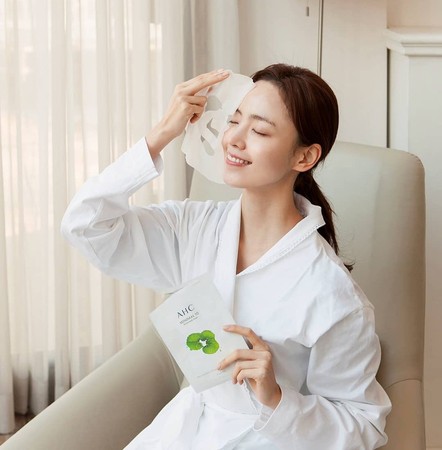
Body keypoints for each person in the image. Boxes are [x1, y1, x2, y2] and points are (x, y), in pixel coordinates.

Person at [61, 64, 391, 449]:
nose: (233, 138)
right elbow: (85, 225)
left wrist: (276, 399)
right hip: (185, 430)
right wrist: (161, 134)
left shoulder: (332, 293)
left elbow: (364, 427)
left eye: (259, 131)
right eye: (234, 120)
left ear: (305, 157)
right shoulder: (195, 229)